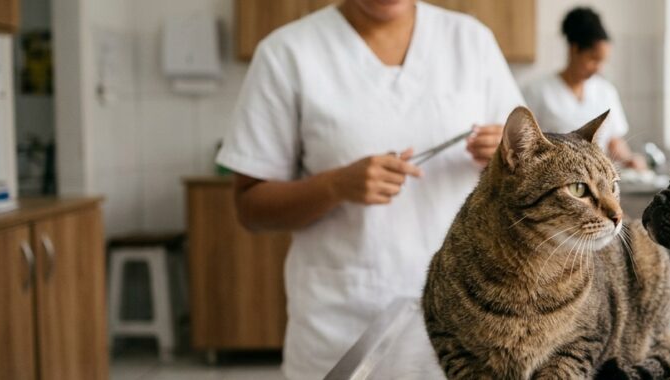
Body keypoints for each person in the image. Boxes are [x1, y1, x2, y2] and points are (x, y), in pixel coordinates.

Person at [214, 0, 523, 377]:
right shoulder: (286, 53)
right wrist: (334, 186)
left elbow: (529, 175)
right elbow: (250, 208)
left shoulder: (471, 42)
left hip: (468, 322)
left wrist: (506, 161)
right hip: (340, 330)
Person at [523, 7, 646, 170]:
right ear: (574, 49)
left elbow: (613, 140)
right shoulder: (537, 91)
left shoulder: (606, 91)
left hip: (597, 177)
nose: (599, 68)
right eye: (593, 59)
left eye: (603, 61)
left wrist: (629, 159)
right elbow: (527, 144)